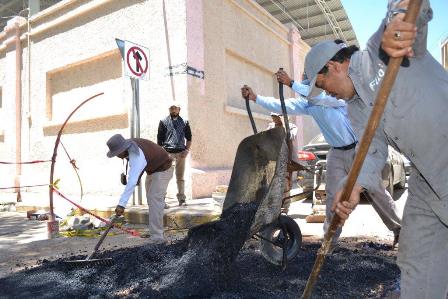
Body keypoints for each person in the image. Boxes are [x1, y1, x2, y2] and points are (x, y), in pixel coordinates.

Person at [303, 0, 448, 297]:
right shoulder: (355, 108)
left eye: (323, 83)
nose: (327, 92)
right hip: (426, 180)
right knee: (414, 255)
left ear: (334, 66)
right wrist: (353, 185)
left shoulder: (378, 53)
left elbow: (410, 15)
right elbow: (372, 150)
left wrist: (398, 18)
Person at [241, 70, 401, 249]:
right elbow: (281, 105)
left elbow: (318, 96)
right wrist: (255, 98)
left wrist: (291, 83)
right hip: (336, 153)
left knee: (376, 192)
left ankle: (399, 230)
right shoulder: (308, 104)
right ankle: (329, 242)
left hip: (358, 150)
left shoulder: (334, 98)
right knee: (332, 197)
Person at [106, 134, 173, 244]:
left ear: (122, 149)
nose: (117, 156)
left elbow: (132, 181)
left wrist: (121, 204)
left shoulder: (136, 155)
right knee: (152, 200)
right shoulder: (130, 148)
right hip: (153, 170)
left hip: (164, 168)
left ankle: (157, 238)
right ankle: (155, 232)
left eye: (117, 153)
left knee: (154, 199)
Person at [157, 102, 192, 206]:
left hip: (181, 153)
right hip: (168, 154)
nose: (173, 110)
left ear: (179, 109)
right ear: (169, 109)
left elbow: (189, 138)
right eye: (171, 108)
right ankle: (162, 200)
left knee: (180, 177)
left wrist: (187, 150)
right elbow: (159, 140)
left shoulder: (185, 122)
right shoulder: (163, 122)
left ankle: (182, 199)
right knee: (165, 177)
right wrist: (163, 153)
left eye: (175, 108)